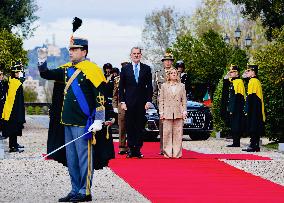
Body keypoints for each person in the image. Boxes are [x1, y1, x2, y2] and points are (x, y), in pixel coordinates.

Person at [38, 37, 113, 202]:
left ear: (84, 51)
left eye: (74, 49)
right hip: (67, 121)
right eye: (70, 49)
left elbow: (100, 96)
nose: (71, 52)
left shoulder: (92, 70)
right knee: (71, 160)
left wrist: (99, 119)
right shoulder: (66, 70)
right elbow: (46, 74)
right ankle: (74, 189)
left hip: (83, 123)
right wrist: (42, 59)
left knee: (84, 159)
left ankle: (85, 191)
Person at [119, 47, 153, 158]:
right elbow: (121, 87)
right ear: (131, 55)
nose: (136, 55)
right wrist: (122, 101)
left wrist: (148, 100)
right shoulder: (125, 69)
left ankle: (137, 149)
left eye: (138, 53)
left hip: (142, 102)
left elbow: (149, 87)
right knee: (129, 126)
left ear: (141, 55)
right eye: (134, 53)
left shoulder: (147, 69)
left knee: (139, 126)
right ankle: (130, 149)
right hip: (128, 103)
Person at [39, 59, 67, 166]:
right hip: (59, 107)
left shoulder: (65, 71)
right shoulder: (64, 71)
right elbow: (45, 73)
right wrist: (42, 61)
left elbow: (45, 73)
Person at [159, 67, 187, 158]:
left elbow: (184, 100)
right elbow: (161, 100)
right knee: (167, 133)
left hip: (178, 112)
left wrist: (184, 111)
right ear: (169, 75)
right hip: (167, 112)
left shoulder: (182, 86)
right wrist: (161, 112)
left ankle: (177, 153)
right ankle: (167, 153)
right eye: (172, 73)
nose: (174, 74)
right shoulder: (164, 86)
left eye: (175, 73)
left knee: (178, 133)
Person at [153, 52, 175, 155]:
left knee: (174, 126)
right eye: (166, 60)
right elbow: (154, 91)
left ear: (172, 62)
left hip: (174, 104)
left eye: (169, 60)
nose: (167, 62)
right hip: (162, 104)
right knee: (162, 127)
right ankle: (163, 149)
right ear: (163, 62)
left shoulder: (176, 73)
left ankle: (172, 148)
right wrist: (154, 104)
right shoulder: (158, 73)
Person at [1, 61, 25, 153]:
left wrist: (21, 67)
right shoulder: (15, 82)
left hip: (12, 109)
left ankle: (14, 144)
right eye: (18, 72)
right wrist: (22, 69)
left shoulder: (12, 80)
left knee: (15, 128)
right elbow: (23, 79)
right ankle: (13, 146)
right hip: (13, 110)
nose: (19, 74)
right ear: (14, 73)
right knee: (13, 128)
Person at [242, 64, 265, 152]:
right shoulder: (254, 80)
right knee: (254, 126)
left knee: (253, 126)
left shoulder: (253, 81)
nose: (247, 73)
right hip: (256, 107)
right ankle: (255, 145)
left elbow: (251, 97)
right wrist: (246, 73)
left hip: (254, 107)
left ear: (253, 72)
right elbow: (244, 77)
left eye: (249, 71)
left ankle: (253, 145)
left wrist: (247, 109)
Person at [225, 65, 245, 147]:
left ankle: (236, 142)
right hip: (233, 107)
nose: (230, 73)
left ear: (237, 73)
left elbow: (238, 96)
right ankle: (235, 141)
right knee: (233, 124)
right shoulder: (233, 81)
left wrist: (233, 108)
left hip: (237, 107)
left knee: (236, 124)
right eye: (230, 72)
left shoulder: (239, 82)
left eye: (232, 72)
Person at [112, 63, 128, 154]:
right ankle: (122, 147)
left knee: (131, 126)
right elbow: (114, 95)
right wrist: (114, 106)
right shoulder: (117, 79)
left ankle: (131, 146)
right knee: (122, 126)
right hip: (121, 105)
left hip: (131, 105)